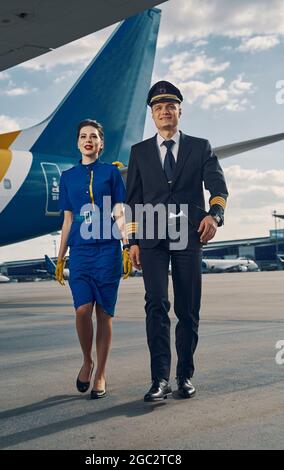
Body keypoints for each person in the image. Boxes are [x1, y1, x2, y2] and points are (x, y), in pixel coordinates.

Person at [126, 81, 229, 402]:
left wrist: (214, 216)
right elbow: (132, 201)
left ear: (179, 112)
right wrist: (131, 242)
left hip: (189, 235)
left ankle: (184, 376)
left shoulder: (200, 147)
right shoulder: (139, 152)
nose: (164, 112)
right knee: (156, 305)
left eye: (170, 107)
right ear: (152, 115)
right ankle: (159, 379)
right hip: (152, 238)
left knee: (187, 308)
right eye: (158, 108)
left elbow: (218, 187)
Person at [55, 119, 130, 399]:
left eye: (94, 137)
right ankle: (87, 360)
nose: (89, 140)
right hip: (82, 253)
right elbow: (67, 219)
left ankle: (100, 374)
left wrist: (126, 245)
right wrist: (61, 257)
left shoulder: (111, 174)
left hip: (108, 250)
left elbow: (119, 211)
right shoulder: (68, 177)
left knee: (104, 315)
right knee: (82, 310)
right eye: (84, 136)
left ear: (101, 144)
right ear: (78, 143)